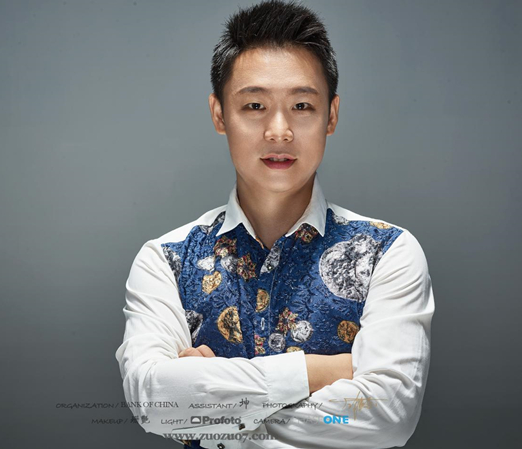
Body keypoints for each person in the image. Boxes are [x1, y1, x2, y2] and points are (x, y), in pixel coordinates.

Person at [115, 1, 435, 448]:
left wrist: (213, 409)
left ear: (331, 115)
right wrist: (319, 372)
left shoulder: (385, 252)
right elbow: (155, 402)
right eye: (255, 105)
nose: (279, 130)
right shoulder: (166, 260)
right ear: (219, 114)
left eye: (302, 105)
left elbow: (387, 415)